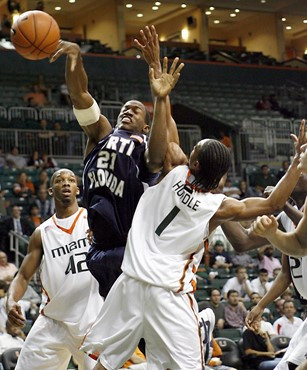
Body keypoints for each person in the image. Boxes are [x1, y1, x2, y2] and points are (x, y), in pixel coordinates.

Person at [80, 121, 306, 370]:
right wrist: (296, 162)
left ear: (194, 163)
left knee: (108, 361)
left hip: (130, 283)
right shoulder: (218, 207)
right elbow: (272, 204)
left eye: (194, 150)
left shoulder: (174, 172)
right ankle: (202, 326)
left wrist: (162, 97)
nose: (189, 152)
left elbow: (169, 137)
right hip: (167, 291)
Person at [50, 25, 184, 298]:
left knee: (140, 329)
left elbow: (158, 157)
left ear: (146, 126)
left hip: (133, 246)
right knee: (112, 331)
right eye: (125, 107)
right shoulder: (101, 134)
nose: (129, 109)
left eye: (137, 109)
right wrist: (75, 58)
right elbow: (80, 96)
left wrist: (159, 90)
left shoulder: (146, 145)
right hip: (99, 249)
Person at [6, 169, 103, 370]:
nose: (66, 183)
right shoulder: (41, 233)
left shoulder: (94, 219)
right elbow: (23, 276)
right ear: (51, 190)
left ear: (78, 189)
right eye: (59, 180)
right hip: (53, 320)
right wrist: (11, 300)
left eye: (71, 180)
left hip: (90, 319)